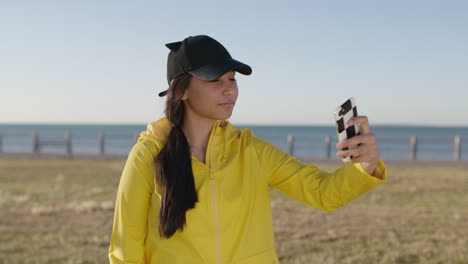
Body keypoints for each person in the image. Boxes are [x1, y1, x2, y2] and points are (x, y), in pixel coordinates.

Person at [108, 34, 387, 264]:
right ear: (182, 90)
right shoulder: (147, 155)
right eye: (215, 80)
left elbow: (323, 194)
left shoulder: (250, 151)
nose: (229, 90)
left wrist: (365, 165)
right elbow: (126, 250)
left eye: (232, 79)